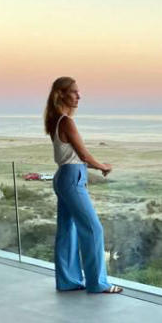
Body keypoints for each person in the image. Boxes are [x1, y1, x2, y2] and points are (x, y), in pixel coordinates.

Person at [44, 77, 122, 293]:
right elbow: (84, 155)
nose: (79, 96)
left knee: (67, 231)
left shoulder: (55, 120)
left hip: (65, 177)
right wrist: (103, 166)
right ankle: (97, 283)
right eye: (74, 92)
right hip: (72, 178)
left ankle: (68, 281)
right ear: (61, 94)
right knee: (93, 228)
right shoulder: (66, 122)